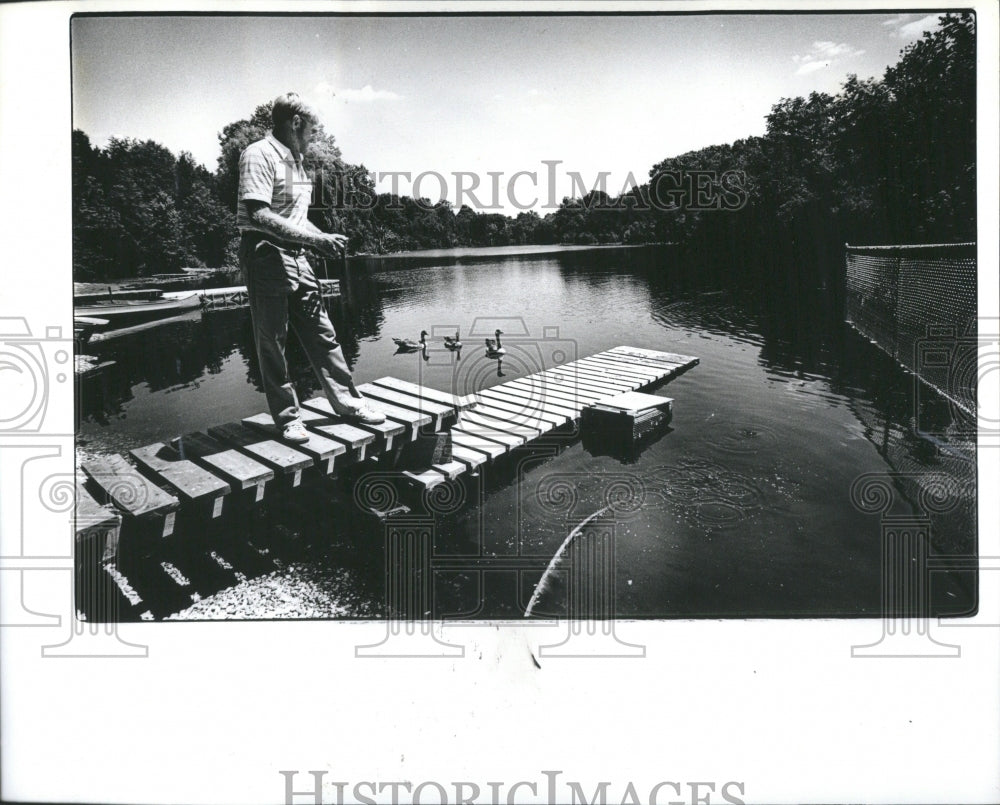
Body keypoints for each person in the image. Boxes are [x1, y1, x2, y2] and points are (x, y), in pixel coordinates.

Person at [237, 92, 384, 443]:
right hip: (265, 254)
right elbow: (259, 214)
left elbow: (297, 221)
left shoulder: (298, 165)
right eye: (314, 128)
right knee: (273, 340)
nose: (317, 134)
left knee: (323, 333)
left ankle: (348, 402)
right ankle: (288, 418)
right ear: (296, 123)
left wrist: (323, 236)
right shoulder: (258, 154)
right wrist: (315, 242)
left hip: (298, 256)